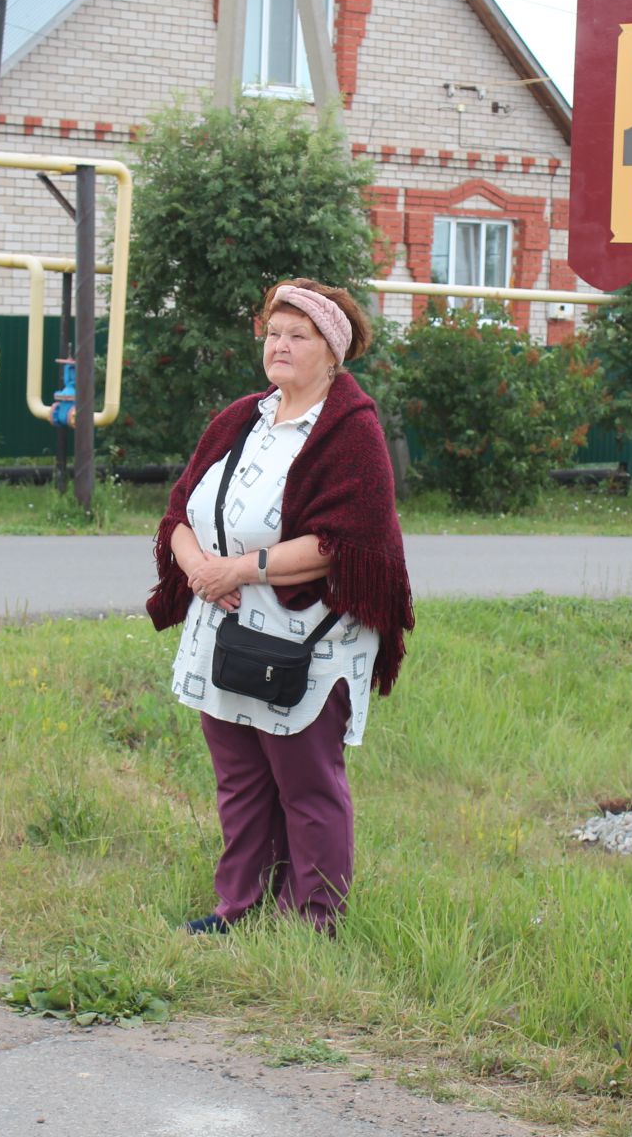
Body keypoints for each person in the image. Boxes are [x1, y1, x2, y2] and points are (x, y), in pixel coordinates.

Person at [145, 279, 412, 934]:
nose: (281, 345)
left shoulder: (350, 431)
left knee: (306, 783)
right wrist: (198, 569)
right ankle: (239, 906)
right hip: (225, 627)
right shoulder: (242, 417)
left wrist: (238, 568)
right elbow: (179, 510)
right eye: (273, 333)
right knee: (238, 777)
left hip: (309, 640)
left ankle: (313, 919)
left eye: (299, 335)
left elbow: (347, 541)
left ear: (332, 352)